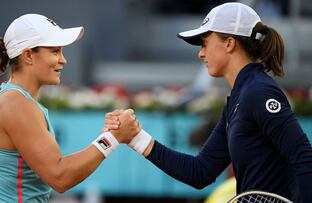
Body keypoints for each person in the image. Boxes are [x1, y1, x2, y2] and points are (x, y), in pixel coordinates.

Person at [105, 2, 312, 202]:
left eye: (205, 43)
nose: (200, 53)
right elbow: (200, 171)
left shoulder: (259, 92)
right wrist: (135, 137)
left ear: (229, 43)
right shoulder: (239, 98)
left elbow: (304, 157)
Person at [0, 14, 141, 203]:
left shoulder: (2, 96)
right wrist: (112, 138)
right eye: (55, 51)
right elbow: (60, 177)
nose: (63, 60)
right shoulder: (17, 105)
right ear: (28, 55)